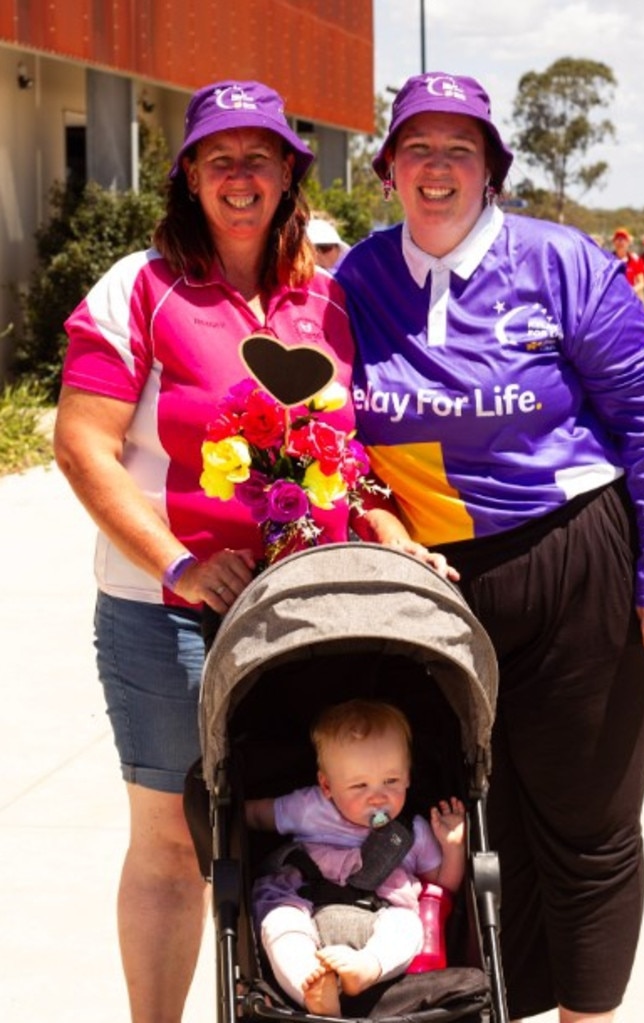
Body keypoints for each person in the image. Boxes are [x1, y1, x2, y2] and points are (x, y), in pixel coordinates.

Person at [53, 79, 447, 1023]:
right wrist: (179, 563)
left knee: (296, 831)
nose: (240, 175)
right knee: (174, 842)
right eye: (219, 157)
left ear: (288, 174)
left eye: (259, 157)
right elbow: (80, 444)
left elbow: (349, 446)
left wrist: (385, 520)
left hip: (311, 610)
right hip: (169, 614)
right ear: (189, 173)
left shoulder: (329, 295)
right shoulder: (139, 287)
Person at [334, 71, 644, 1023]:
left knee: (586, 822)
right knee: (472, 825)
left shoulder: (565, 262)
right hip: (437, 588)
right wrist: (380, 522)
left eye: (461, 149)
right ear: (388, 169)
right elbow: (325, 428)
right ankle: (500, 1005)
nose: (438, 167)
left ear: (492, 167)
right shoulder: (358, 279)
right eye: (418, 148)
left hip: (580, 565)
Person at [246, 699, 465, 1016]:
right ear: (327, 785)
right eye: (359, 785)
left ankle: (367, 969)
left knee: (408, 927)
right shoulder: (307, 808)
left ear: (408, 777)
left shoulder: (411, 833)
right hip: (304, 898)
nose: (378, 795)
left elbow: (443, 887)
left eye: (391, 781)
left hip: (381, 913)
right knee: (279, 921)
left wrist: (453, 847)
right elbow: (255, 816)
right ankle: (311, 988)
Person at [610, 227, 644, 301]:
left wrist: (630, 291)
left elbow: (642, 283)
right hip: (612, 298)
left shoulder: (635, 260)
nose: (620, 242)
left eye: (623, 239)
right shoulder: (607, 259)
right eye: (618, 239)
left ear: (628, 242)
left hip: (629, 299)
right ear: (614, 242)